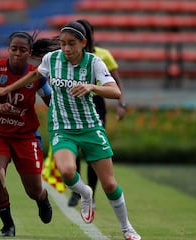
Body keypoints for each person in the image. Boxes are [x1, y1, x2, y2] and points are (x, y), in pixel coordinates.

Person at [0, 21, 141, 240]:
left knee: (109, 184)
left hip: (90, 126)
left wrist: (91, 87)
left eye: (71, 44)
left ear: (83, 43)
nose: (66, 48)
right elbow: (33, 76)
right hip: (62, 128)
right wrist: (5, 89)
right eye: (62, 43)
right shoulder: (52, 59)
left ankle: (127, 228)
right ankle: (85, 192)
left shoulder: (94, 63)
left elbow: (114, 91)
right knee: (67, 171)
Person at [0, 31, 57, 237]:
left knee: (33, 190)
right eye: (13, 49)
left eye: (23, 50)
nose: (17, 54)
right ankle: (8, 224)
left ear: (29, 52)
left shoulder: (35, 75)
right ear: (8, 50)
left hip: (25, 136)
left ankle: (42, 198)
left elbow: (51, 101)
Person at [67, 19, 127, 207]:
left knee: (92, 151)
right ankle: (77, 193)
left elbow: (115, 81)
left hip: (95, 104)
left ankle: (91, 192)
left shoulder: (102, 55)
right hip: (73, 103)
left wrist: (121, 103)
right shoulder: (67, 54)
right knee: (73, 150)